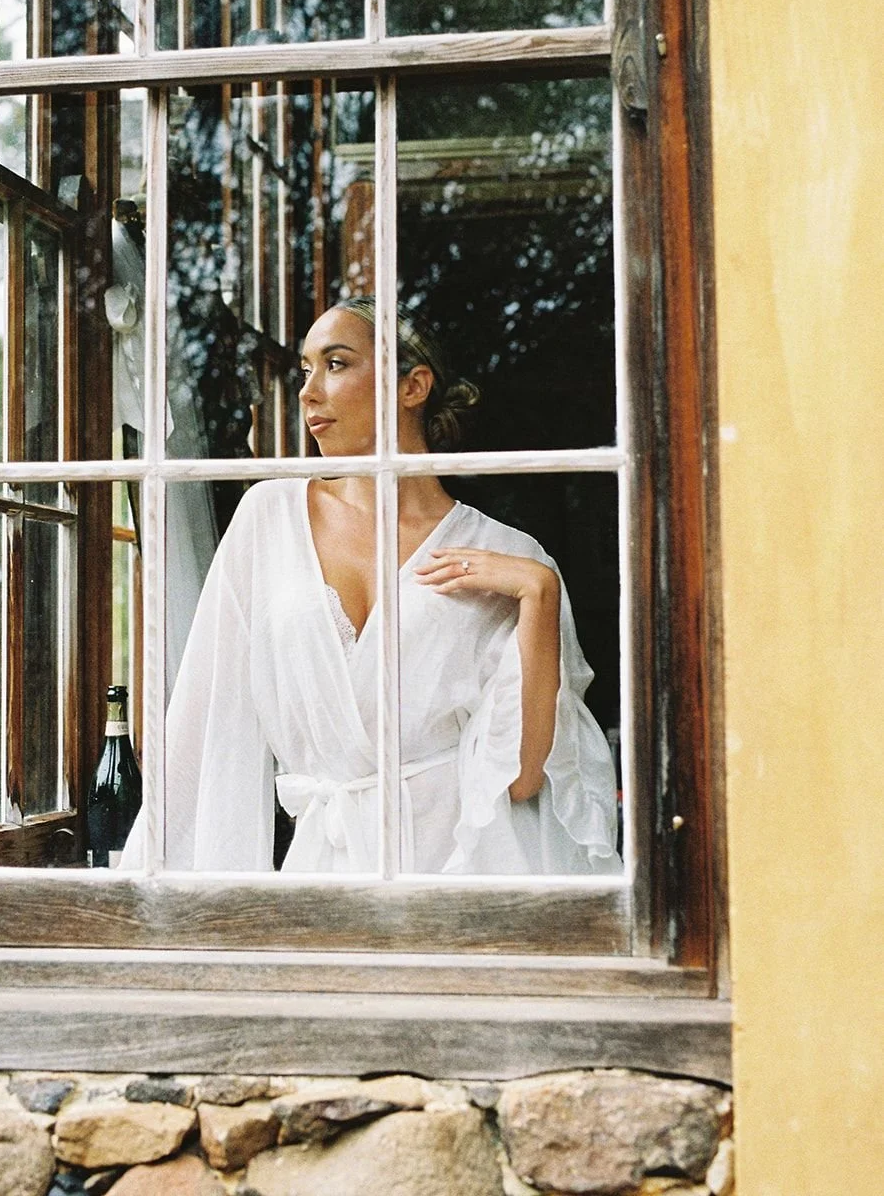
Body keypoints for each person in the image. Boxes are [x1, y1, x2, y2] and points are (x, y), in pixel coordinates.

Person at [122, 298, 619, 874]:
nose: (309, 392)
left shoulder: (512, 559)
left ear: (414, 387)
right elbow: (206, 729)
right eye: (305, 369)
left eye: (336, 363)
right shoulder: (269, 516)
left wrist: (540, 593)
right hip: (323, 869)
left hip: (459, 872)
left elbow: (524, 777)